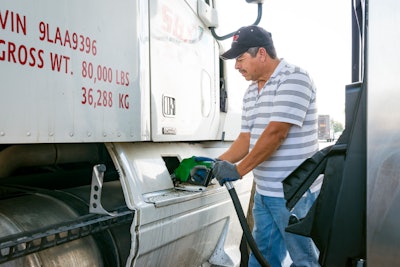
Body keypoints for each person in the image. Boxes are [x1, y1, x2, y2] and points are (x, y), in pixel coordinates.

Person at [212, 25, 322, 267]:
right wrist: (217, 164)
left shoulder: (294, 78)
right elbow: (245, 140)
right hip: (265, 193)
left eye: (240, 59)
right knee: (262, 257)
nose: (236, 66)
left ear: (261, 53)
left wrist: (239, 171)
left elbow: (275, 134)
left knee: (304, 260)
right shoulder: (251, 91)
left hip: (295, 195)